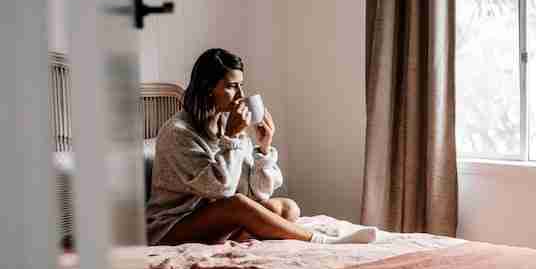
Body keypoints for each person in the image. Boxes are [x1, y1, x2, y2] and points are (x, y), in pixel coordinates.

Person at [145, 48, 376, 245]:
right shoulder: (178, 133)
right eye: (232, 86)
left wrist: (264, 148)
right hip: (171, 228)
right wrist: (232, 137)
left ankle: (243, 231)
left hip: (213, 218)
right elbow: (221, 191)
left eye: (241, 86)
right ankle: (321, 241)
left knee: (287, 208)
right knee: (237, 206)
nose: (241, 95)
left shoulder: (227, 122)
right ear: (208, 88)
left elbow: (256, 192)